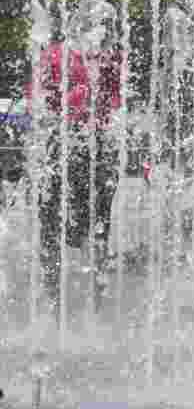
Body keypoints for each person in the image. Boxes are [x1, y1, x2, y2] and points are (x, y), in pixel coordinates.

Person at [26, 39, 122, 315]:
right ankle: (67, 303)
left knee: (89, 227)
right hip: (74, 143)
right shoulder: (58, 54)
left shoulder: (102, 56)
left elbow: (115, 101)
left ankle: (80, 305)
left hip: (85, 144)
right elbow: (36, 99)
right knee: (67, 226)